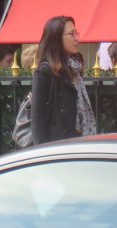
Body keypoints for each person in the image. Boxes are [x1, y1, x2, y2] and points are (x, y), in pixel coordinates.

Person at [29, 15, 97, 145]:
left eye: (77, 33)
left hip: (79, 143)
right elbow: (38, 120)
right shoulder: (45, 72)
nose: (77, 38)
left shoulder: (75, 69)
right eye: (72, 34)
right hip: (57, 149)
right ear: (57, 38)